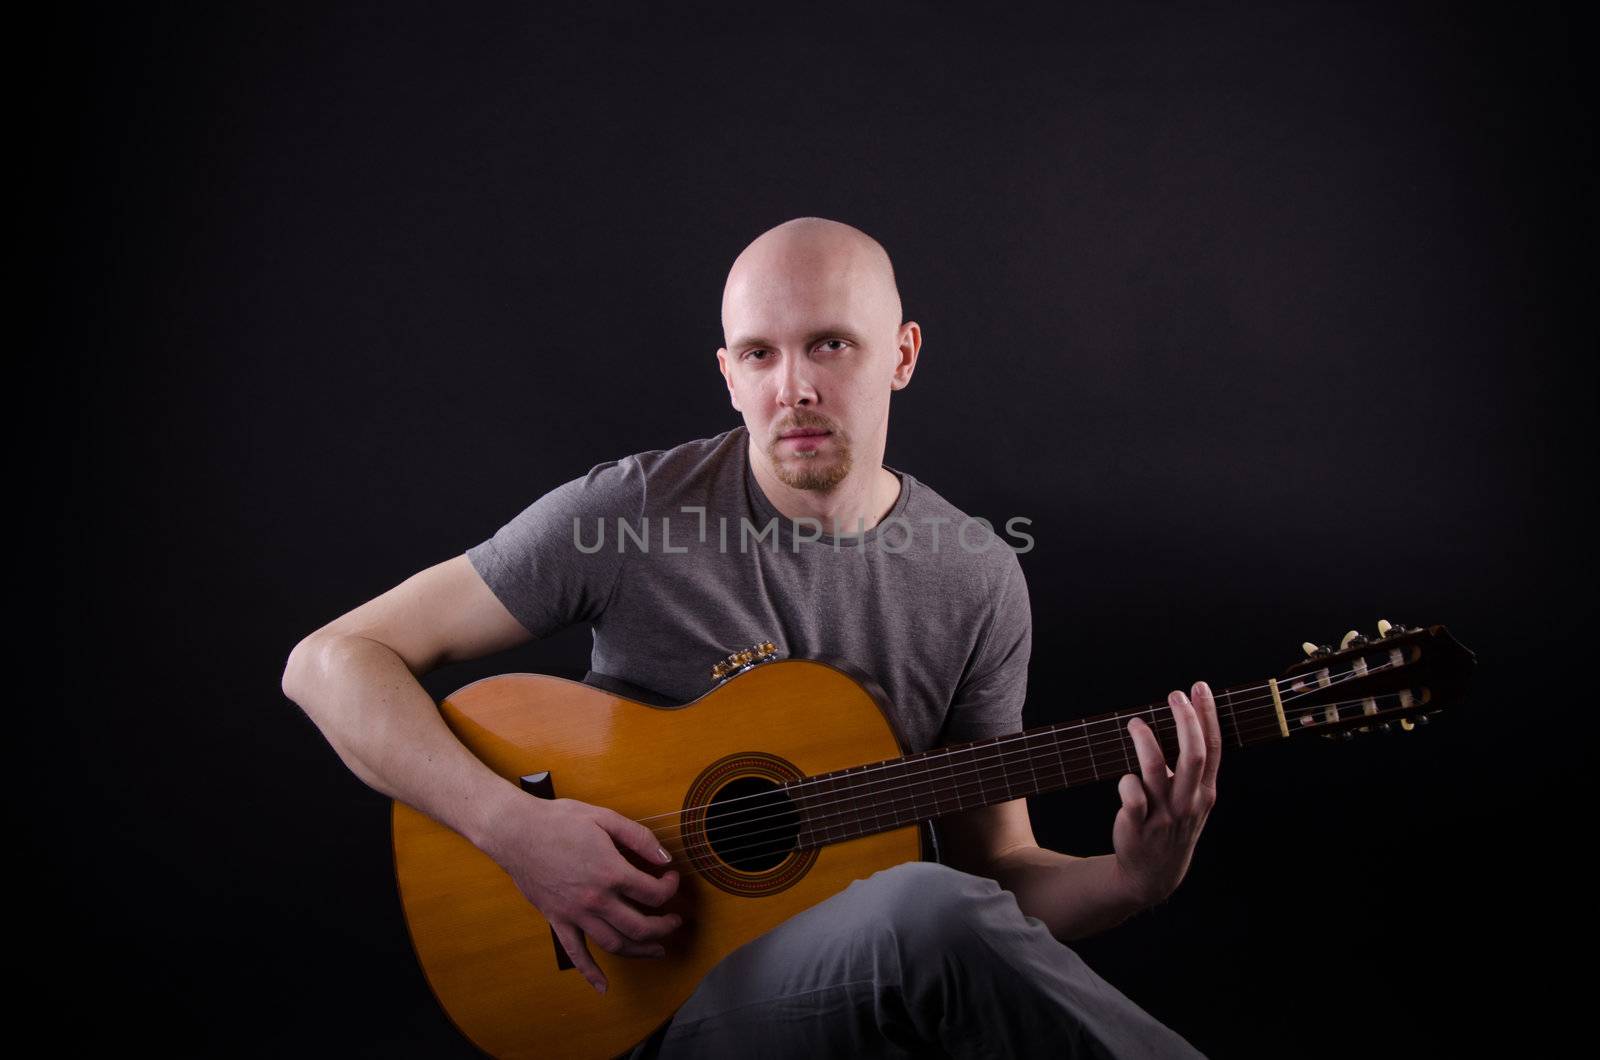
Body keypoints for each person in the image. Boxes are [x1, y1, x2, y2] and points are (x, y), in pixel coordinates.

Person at [282, 217, 1220, 1058]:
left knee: (930, 907)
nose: (795, 387)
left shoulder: (974, 576)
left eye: (830, 345)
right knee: (922, 910)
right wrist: (515, 830)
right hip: (646, 1002)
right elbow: (327, 662)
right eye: (760, 355)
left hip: (864, 992)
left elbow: (998, 881)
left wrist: (1129, 882)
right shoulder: (634, 512)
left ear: (902, 354)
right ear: (728, 376)